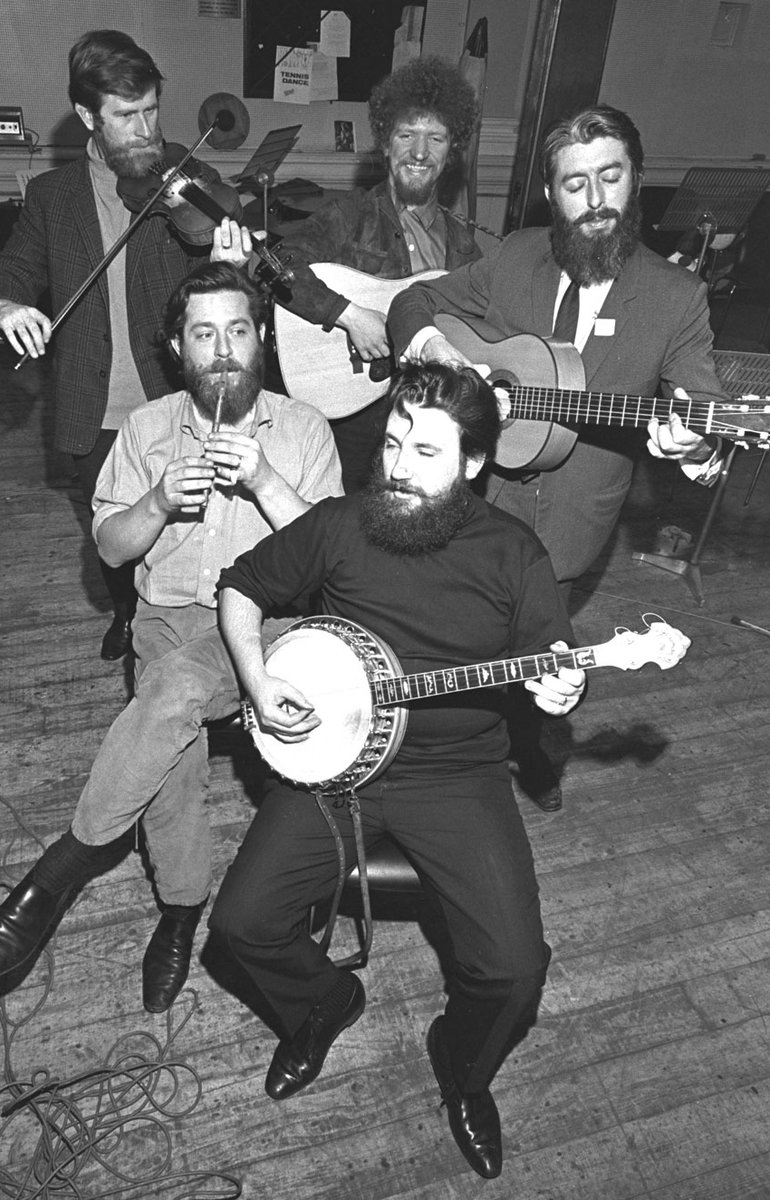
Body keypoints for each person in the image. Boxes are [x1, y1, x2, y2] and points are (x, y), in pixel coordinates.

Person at [210, 363, 586, 1180]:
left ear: (475, 464)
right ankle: (322, 1000)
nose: (400, 466)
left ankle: (461, 1061)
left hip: (457, 775)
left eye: (426, 450)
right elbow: (240, 587)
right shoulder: (345, 522)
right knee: (239, 925)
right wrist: (259, 678)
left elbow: (553, 667)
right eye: (391, 443)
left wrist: (562, 685)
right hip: (333, 765)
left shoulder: (514, 555)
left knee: (516, 971)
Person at [0, 263, 343, 1011]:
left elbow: (333, 562)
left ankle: (59, 873)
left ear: (261, 336)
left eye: (238, 329)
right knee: (173, 757)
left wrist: (266, 482)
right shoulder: (145, 427)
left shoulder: (306, 430)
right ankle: (180, 913)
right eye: (205, 333)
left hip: (269, 629)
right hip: (167, 618)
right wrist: (160, 498)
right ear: (177, 346)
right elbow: (110, 548)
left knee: (170, 690)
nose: (224, 349)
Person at [387, 104, 726, 811]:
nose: (596, 202)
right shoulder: (516, 256)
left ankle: (539, 763)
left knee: (544, 669)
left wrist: (698, 442)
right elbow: (418, 300)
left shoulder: (675, 296)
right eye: (576, 185)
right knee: (444, 643)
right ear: (551, 194)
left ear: (637, 179)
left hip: (574, 523)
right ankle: (424, 766)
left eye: (612, 177)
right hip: (476, 506)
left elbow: (701, 397)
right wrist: (438, 349)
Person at [0, 29, 252, 660]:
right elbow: (10, 268)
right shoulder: (54, 197)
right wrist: (6, 304)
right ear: (87, 117)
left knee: (190, 524)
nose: (147, 131)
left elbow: (209, 298)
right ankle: (127, 613)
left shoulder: (183, 182)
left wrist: (224, 266)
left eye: (152, 110)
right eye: (126, 116)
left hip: (172, 399)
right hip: (93, 407)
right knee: (113, 532)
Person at [275, 55, 481, 492]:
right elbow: (275, 265)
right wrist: (347, 313)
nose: (420, 152)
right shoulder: (349, 216)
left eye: (435, 139)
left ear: (452, 152)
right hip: (352, 422)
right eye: (407, 135)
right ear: (386, 143)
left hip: (424, 428)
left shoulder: (464, 245)